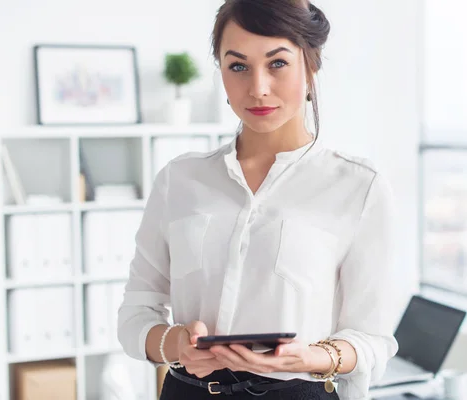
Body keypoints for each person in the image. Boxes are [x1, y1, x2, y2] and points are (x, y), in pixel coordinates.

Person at [117, 0, 399, 398]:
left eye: (277, 63)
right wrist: (176, 344)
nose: (258, 87)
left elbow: (372, 338)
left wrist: (312, 357)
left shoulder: (359, 186)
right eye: (238, 67)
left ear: (311, 66)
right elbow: (135, 315)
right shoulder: (179, 180)